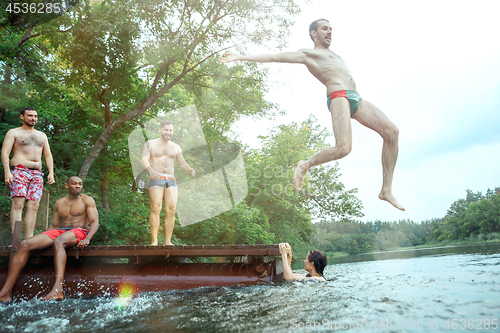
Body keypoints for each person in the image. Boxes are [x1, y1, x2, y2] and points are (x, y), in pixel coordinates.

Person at [220, 19, 404, 211]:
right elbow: (276, 56)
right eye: (325, 29)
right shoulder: (309, 54)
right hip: (338, 96)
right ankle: (305, 164)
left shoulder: (335, 55)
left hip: (356, 97)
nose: (329, 32)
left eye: (331, 29)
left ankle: (386, 190)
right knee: (343, 149)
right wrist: (240, 57)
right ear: (313, 34)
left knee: (392, 132)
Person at [0, 176, 99, 302]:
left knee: (59, 241)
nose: (78, 186)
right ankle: (5, 293)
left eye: (80, 184)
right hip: (61, 231)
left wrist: (88, 238)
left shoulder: (87, 200)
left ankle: (58, 290)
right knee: (25, 244)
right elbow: (55, 226)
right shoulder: (59, 202)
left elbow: (95, 222)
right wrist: (41, 237)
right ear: (67, 186)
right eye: (74, 184)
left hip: (79, 231)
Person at [1, 107, 56, 238]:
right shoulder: (14, 132)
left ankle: (28, 240)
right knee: (18, 204)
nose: (33, 118)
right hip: (19, 171)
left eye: (35, 116)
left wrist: (51, 172)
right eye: (30, 115)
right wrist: (7, 171)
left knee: (34, 206)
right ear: (22, 117)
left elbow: (48, 155)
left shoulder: (42, 135)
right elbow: (5, 152)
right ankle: (15, 241)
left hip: (37, 174)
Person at [141, 120, 195, 246]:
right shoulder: (150, 144)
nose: (168, 132)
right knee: (156, 207)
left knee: (171, 209)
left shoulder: (176, 147)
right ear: (160, 130)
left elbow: (182, 162)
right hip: (156, 177)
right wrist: (150, 170)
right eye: (166, 130)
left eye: (171, 130)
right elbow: (144, 159)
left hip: (171, 180)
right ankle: (154, 241)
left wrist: (190, 168)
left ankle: (167, 241)